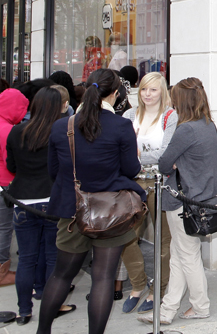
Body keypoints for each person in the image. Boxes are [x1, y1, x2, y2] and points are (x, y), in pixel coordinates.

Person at [39, 68, 145, 334]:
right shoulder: (121, 126)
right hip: (110, 211)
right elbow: (131, 169)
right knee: (103, 278)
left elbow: (54, 171)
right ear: (115, 93)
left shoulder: (62, 126)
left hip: (72, 211)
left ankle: (42, 331)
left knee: (61, 275)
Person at [141, 78, 217, 324]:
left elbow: (165, 162)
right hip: (202, 198)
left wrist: (174, 161)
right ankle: (167, 310)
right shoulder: (208, 124)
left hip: (183, 201)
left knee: (187, 256)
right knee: (180, 254)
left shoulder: (186, 129)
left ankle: (200, 306)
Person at [6, 88, 72, 325]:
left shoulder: (16, 131)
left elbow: (12, 166)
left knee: (26, 259)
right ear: (58, 107)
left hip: (23, 201)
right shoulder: (61, 131)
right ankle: (52, 304)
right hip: (52, 200)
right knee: (54, 257)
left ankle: (24, 311)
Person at [119, 71, 176, 313]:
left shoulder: (170, 116)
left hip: (160, 183)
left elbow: (166, 154)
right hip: (132, 183)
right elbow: (119, 150)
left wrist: (135, 156)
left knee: (163, 240)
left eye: (153, 89)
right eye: (143, 89)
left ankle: (158, 290)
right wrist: (136, 159)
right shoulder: (129, 115)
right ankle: (138, 284)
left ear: (162, 91)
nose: (147, 94)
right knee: (125, 237)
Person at [0, 88, 26, 288]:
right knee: (4, 228)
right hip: (5, 185)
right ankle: (2, 271)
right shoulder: (8, 130)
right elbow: (12, 163)